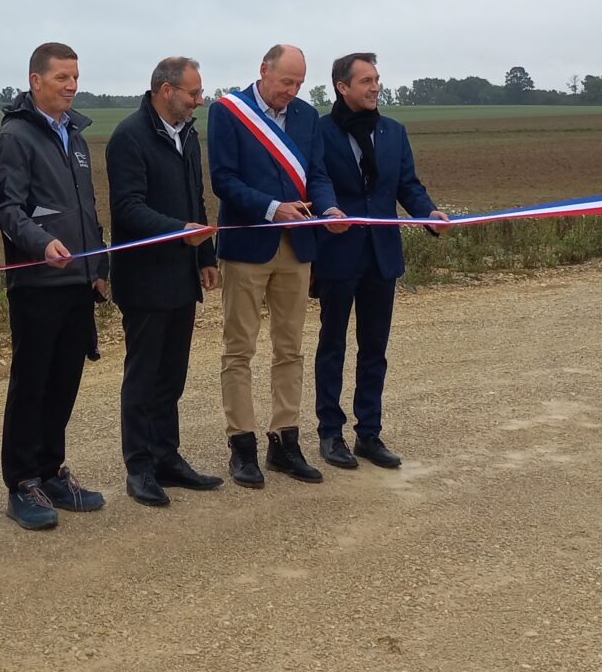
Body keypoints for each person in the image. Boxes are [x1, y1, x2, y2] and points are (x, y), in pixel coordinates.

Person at [207, 44, 346, 488]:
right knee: (239, 350)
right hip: (248, 244)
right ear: (263, 71)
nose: (292, 90)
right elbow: (224, 180)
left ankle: (285, 441)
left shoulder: (306, 116)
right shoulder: (228, 112)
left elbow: (317, 175)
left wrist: (328, 210)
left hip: (298, 246)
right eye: (286, 82)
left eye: (299, 83)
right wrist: (271, 208)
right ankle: (241, 445)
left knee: (290, 348)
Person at [0, 42, 110, 529]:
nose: (71, 86)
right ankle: (21, 482)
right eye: (61, 77)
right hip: (38, 282)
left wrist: (99, 265)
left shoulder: (75, 137)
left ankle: (51, 470)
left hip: (78, 281)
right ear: (35, 80)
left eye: (75, 77)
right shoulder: (15, 137)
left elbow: (86, 210)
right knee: (33, 382)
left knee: (64, 381)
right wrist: (41, 244)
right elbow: (7, 209)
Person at [312, 53, 448, 470]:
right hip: (337, 253)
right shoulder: (320, 132)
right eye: (366, 81)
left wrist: (429, 214)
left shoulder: (393, 131)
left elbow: (407, 185)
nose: (375, 87)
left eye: (377, 80)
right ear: (342, 87)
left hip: (381, 256)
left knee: (374, 348)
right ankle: (330, 434)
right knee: (332, 345)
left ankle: (369, 433)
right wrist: (328, 209)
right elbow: (316, 179)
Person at [106, 56, 222, 506]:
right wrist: (180, 231)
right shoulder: (129, 138)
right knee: (143, 376)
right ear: (165, 91)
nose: (199, 99)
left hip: (182, 276)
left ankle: (167, 457)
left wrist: (206, 255)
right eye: (193, 93)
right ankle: (138, 467)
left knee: (172, 376)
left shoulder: (188, 136)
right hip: (144, 279)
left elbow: (196, 198)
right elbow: (128, 209)